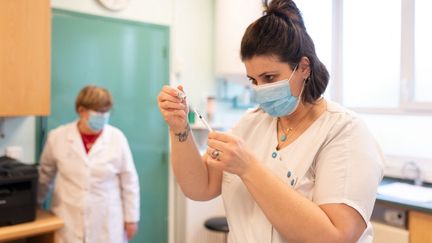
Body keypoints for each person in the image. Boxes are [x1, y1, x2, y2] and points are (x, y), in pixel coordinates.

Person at [158, 0, 384, 242]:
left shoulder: (344, 132)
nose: (260, 89)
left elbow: (336, 237)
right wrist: (179, 129)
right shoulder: (251, 123)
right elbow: (199, 187)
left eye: (269, 77)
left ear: (304, 67)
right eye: (254, 80)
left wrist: (248, 167)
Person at [38, 85, 140, 243]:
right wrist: (35, 206)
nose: (103, 116)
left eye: (106, 112)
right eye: (98, 112)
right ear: (81, 110)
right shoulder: (57, 137)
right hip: (67, 219)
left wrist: (131, 218)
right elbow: (44, 177)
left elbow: (130, 181)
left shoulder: (117, 138)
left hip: (107, 221)